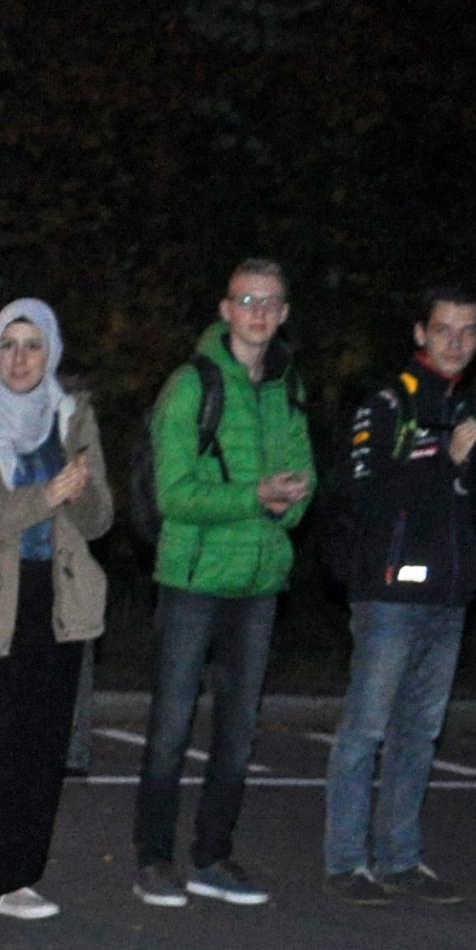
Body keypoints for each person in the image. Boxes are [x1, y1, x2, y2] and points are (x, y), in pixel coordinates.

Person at [133, 258, 317, 907]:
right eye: (246, 300)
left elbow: (304, 479)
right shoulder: (192, 384)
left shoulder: (288, 386)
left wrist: (287, 503)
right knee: (171, 728)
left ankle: (213, 856)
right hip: (193, 579)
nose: (257, 313)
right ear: (225, 309)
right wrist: (255, 497)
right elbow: (174, 494)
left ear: (284, 313)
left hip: (260, 582)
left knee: (238, 735)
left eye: (269, 302)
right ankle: (153, 859)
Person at [324, 286, 476, 901]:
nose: (455, 342)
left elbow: (475, 509)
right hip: (389, 593)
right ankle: (346, 862)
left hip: (449, 595)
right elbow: (367, 495)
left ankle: (400, 859)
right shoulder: (387, 403)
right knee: (366, 730)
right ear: (420, 333)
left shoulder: (472, 405)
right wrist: (447, 459)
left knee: (420, 734)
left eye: (467, 331)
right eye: (443, 329)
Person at [0, 299, 110, 936]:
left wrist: (77, 494)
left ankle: (13, 877)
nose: (20, 358)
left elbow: (99, 520)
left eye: (33, 345)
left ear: (51, 352)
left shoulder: (72, 417)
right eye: (9, 345)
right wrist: (45, 495)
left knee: (39, 747)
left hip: (56, 603)